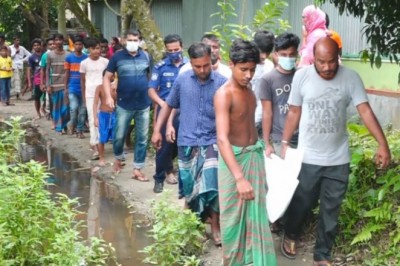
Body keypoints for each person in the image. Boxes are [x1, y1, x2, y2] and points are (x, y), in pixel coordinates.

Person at [280, 37, 391, 266]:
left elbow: (365, 111)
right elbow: (293, 112)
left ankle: (322, 254)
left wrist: (382, 144)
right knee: (302, 201)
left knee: (331, 209)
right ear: (313, 58)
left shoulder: (350, 77)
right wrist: (284, 142)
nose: (327, 67)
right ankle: (290, 233)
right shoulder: (302, 76)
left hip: (338, 158)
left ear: (338, 55)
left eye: (331, 61)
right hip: (308, 156)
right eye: (321, 62)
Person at [151, 42, 227, 246]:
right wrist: (158, 130)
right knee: (190, 187)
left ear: (211, 59)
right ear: (191, 63)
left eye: (205, 65)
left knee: (212, 186)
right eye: (197, 66)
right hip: (187, 141)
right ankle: (195, 225)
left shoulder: (222, 82)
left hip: (212, 141)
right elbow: (168, 105)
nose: (202, 70)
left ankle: (216, 227)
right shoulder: (182, 80)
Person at [214, 39, 277, 266]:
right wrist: (239, 178)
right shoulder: (224, 94)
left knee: (257, 217)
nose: (249, 75)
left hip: (254, 156)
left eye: (252, 70)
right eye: (243, 70)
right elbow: (222, 138)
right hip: (234, 162)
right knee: (232, 221)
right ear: (231, 64)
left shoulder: (250, 91)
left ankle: (256, 261)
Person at [103, 30, 152, 180]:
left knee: (142, 138)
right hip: (124, 103)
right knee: (119, 136)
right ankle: (118, 158)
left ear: (140, 41)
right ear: (124, 40)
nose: (132, 42)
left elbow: (151, 77)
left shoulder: (146, 56)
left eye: (135, 40)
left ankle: (137, 169)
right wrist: (108, 97)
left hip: (143, 103)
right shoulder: (117, 57)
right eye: (130, 39)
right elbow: (106, 77)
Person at [148, 34, 189, 193]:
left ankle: (184, 183)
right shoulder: (160, 67)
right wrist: (161, 103)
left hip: (185, 111)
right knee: (163, 147)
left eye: (176, 49)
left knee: (184, 146)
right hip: (166, 110)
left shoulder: (190, 65)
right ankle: (159, 179)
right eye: (170, 50)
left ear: (182, 47)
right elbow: (151, 90)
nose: (174, 52)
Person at [259, 32, 300, 157]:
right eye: (284, 55)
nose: (288, 58)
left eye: (291, 55)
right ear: (276, 54)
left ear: (297, 54)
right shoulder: (268, 80)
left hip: (302, 138)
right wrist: (267, 143)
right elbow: (267, 113)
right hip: (279, 139)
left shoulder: (301, 76)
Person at [80, 37, 109, 160]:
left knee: (103, 119)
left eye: (98, 48)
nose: (97, 51)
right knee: (93, 120)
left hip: (104, 93)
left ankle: (102, 143)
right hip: (91, 94)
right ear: (88, 49)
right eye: (93, 49)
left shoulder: (106, 62)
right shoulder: (84, 63)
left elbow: (110, 77)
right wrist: (84, 96)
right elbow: (82, 81)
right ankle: (95, 147)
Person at [251, 30, 275, 137]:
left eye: (267, 52)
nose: (264, 56)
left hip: (262, 120)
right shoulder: (246, 66)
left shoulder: (270, 67)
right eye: (261, 51)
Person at [64, 36, 88, 138]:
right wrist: (65, 87)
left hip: (84, 88)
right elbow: (66, 73)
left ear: (83, 46)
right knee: (74, 108)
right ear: (73, 45)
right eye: (76, 44)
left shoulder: (86, 58)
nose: (78, 46)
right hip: (72, 87)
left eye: (80, 44)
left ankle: (79, 130)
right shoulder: (69, 58)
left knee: (82, 111)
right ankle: (71, 123)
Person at [46, 33, 70, 135]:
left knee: (66, 107)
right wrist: (48, 84)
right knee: (56, 107)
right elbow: (47, 70)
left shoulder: (68, 55)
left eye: (60, 39)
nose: (59, 42)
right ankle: (58, 127)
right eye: (56, 40)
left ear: (63, 41)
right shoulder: (49, 55)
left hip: (66, 84)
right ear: (54, 42)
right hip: (54, 84)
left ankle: (64, 125)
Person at [93, 71, 117, 166]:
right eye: (109, 76)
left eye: (113, 76)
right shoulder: (99, 87)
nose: (111, 78)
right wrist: (95, 118)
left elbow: (118, 100)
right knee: (102, 138)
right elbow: (95, 103)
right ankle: (101, 157)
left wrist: (115, 90)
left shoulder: (115, 88)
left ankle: (118, 158)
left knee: (116, 137)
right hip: (103, 114)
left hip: (114, 114)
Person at [27, 38, 44, 119]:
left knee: (47, 96)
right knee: (37, 98)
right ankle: (38, 113)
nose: (37, 47)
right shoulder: (31, 57)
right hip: (37, 79)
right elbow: (29, 70)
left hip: (46, 79)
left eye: (38, 45)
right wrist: (30, 83)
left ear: (41, 45)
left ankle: (44, 109)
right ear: (33, 47)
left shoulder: (45, 55)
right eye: (35, 45)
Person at [40, 36, 55, 121]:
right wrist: (42, 83)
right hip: (49, 82)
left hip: (60, 81)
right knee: (49, 100)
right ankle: (50, 114)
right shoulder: (45, 56)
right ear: (48, 46)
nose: (52, 45)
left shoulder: (62, 54)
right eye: (50, 44)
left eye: (53, 44)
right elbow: (42, 70)